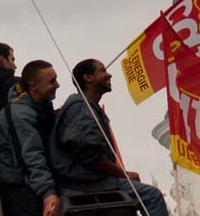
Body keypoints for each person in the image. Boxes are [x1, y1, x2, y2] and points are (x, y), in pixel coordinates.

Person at [49, 59, 168, 216]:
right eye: (102, 71)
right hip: (86, 183)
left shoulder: (85, 106)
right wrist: (124, 174)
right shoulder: (81, 106)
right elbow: (90, 155)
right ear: (88, 77)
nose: (109, 74)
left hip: (87, 181)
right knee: (152, 197)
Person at [0, 60, 61, 216]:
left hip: (32, 185)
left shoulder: (39, 108)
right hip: (20, 191)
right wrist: (48, 193)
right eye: (52, 81)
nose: (57, 84)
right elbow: (29, 156)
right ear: (34, 86)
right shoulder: (19, 115)